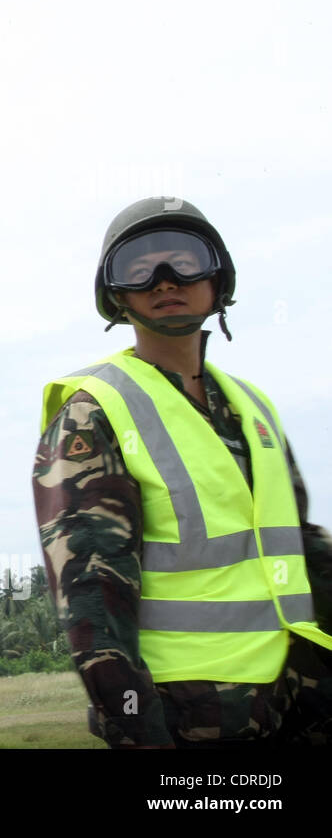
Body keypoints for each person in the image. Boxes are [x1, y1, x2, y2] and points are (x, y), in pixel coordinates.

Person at [33, 197, 332, 747]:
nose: (164, 280)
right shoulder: (94, 409)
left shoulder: (253, 406)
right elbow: (93, 598)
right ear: (115, 295)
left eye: (184, 262)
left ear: (219, 280)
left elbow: (301, 547)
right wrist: (139, 731)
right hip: (189, 715)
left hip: (296, 700)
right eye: (139, 268)